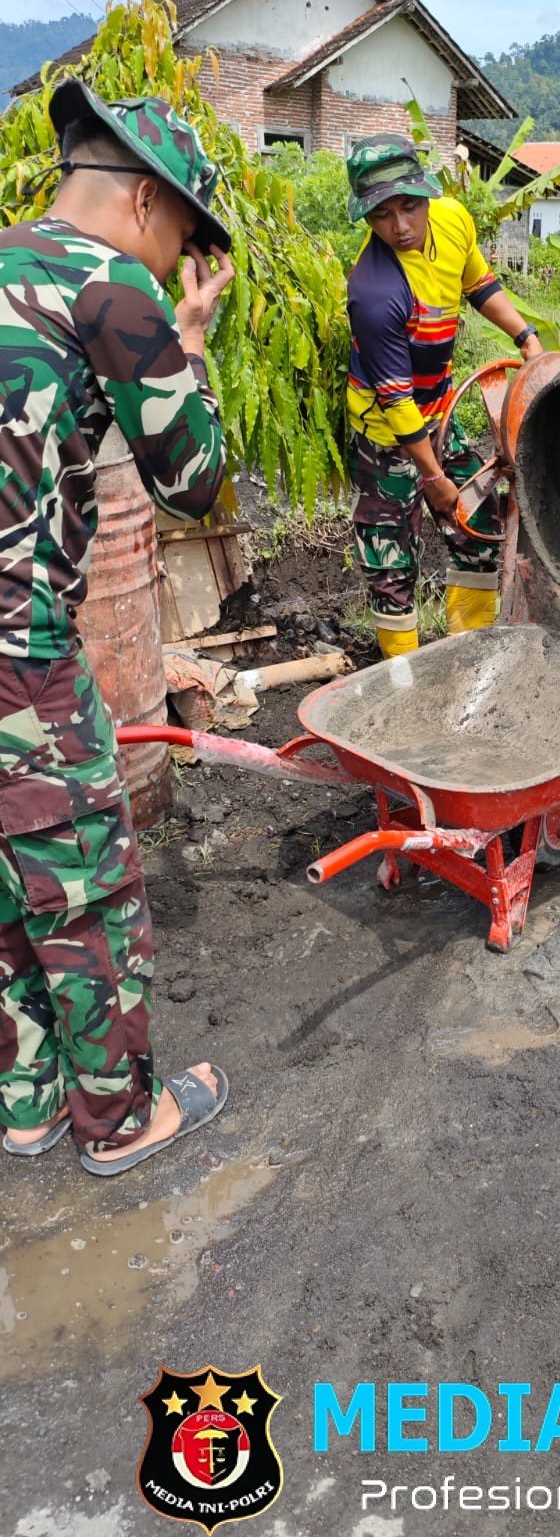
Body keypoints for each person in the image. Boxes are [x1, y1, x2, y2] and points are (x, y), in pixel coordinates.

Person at [0, 80, 235, 1172]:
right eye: (182, 230)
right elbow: (193, 481)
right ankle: (123, 1119)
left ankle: (28, 1101)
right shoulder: (107, 290)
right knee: (85, 886)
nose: (174, 253)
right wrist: (189, 342)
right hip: (19, 661)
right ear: (146, 201)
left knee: (7, 881)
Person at [344, 135, 544, 658]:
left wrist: (528, 340)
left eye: (410, 206)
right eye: (382, 215)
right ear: (367, 217)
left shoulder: (453, 220)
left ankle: (465, 653)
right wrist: (432, 478)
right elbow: (395, 403)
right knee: (391, 563)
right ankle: (403, 676)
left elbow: (479, 285)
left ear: (427, 195)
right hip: (387, 439)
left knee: (478, 526)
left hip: (440, 416)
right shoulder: (374, 291)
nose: (401, 226)